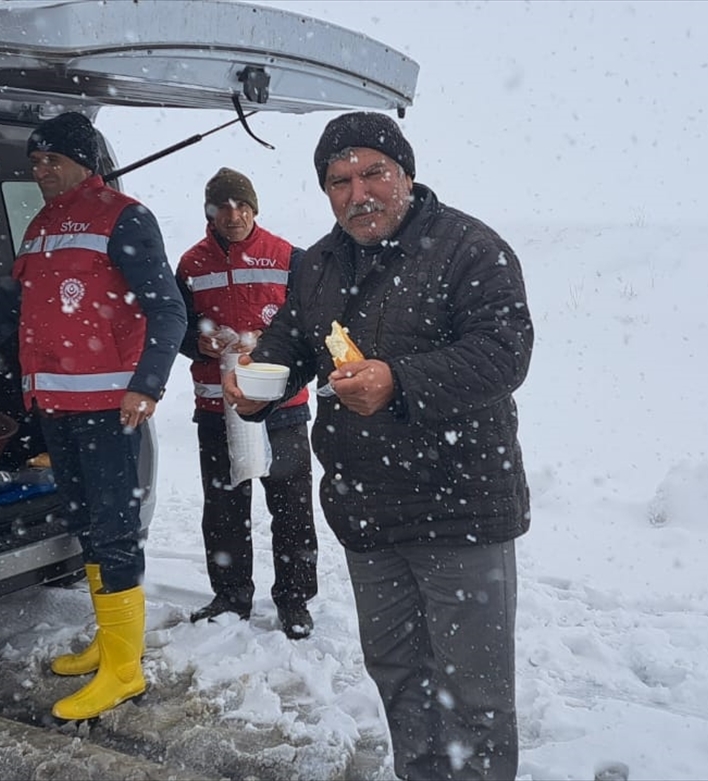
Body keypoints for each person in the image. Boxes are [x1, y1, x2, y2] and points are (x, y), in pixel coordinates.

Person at [222, 112, 533, 780]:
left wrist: (400, 379)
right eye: (340, 180)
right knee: (399, 677)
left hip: (461, 510)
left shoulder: (469, 248)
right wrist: (258, 381)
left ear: (406, 175)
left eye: (373, 173)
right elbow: (290, 341)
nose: (358, 192)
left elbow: (504, 352)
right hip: (368, 514)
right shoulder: (318, 264)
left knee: (474, 694)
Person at [0, 111, 187, 721]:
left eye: (51, 160)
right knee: (87, 519)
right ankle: (109, 642)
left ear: (82, 161)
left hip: (108, 406)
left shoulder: (126, 217)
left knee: (114, 527)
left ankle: (126, 668)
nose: (40, 171)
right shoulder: (41, 226)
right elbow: (6, 311)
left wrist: (147, 386)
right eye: (34, 162)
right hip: (54, 403)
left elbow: (169, 311)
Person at [174, 167, 318, 639]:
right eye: (224, 207)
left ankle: (294, 601)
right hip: (217, 408)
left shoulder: (289, 257)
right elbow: (174, 325)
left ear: (255, 209)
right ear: (209, 213)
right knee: (223, 508)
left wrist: (268, 349)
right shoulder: (190, 266)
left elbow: (307, 329)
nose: (234, 215)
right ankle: (231, 596)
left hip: (282, 406)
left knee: (292, 509)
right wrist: (201, 342)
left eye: (243, 206)